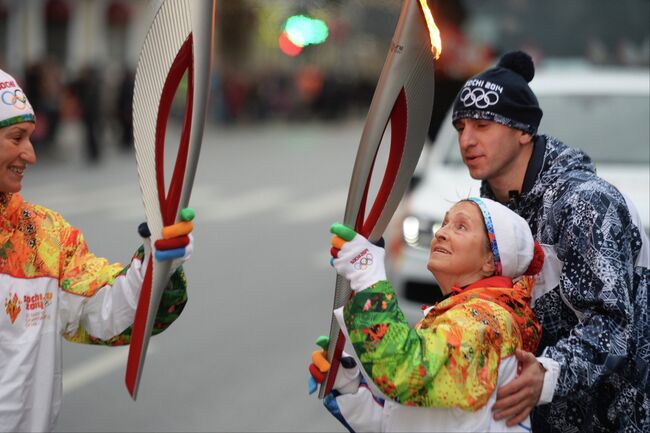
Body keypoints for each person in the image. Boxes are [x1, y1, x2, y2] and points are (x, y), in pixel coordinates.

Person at [450, 51, 650, 432]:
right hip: (535, 419)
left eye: (482, 124)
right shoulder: (486, 212)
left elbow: (612, 326)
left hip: (618, 419)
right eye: (460, 126)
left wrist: (546, 373)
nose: (467, 140)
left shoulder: (585, 203)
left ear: (524, 130)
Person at [0, 69, 194, 432]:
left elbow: (104, 310)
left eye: (29, 137)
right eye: (16, 138)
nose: (31, 154)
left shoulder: (43, 236)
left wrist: (156, 263)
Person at [309, 197, 545, 432]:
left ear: (490, 261)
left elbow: (404, 372)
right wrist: (349, 387)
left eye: (461, 226)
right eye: (444, 223)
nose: (441, 232)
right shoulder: (459, 315)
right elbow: (406, 422)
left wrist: (367, 275)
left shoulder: (485, 324)